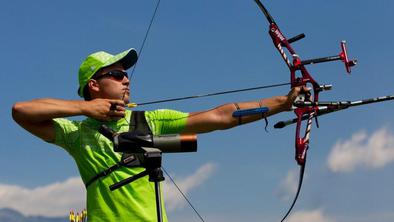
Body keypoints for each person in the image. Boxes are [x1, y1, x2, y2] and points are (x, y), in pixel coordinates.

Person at [12, 48, 305, 222]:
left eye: (126, 74)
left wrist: (283, 103)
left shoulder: (147, 120)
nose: (126, 79)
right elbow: (21, 110)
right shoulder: (77, 133)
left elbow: (219, 116)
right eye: (115, 75)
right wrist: (86, 110)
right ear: (94, 85)